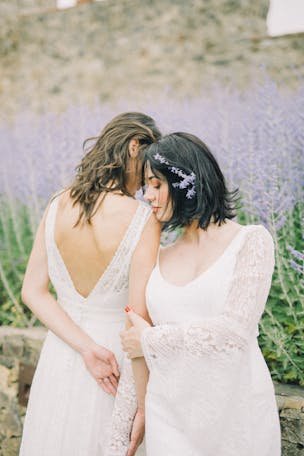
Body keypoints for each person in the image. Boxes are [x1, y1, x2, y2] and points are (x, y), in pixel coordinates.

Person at [120, 132, 281, 455]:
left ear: (185, 181)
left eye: (156, 185)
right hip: (168, 413)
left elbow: (234, 332)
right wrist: (133, 412)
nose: (148, 196)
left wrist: (151, 340)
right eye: (145, 187)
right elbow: (134, 343)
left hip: (235, 414)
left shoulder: (251, 242)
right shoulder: (159, 256)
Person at [19, 112, 161, 456]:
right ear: (133, 147)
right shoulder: (143, 218)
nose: (146, 182)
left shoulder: (57, 204)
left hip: (63, 353)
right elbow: (137, 317)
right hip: (114, 365)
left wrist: (84, 348)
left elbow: (32, 292)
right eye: (148, 166)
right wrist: (141, 405)